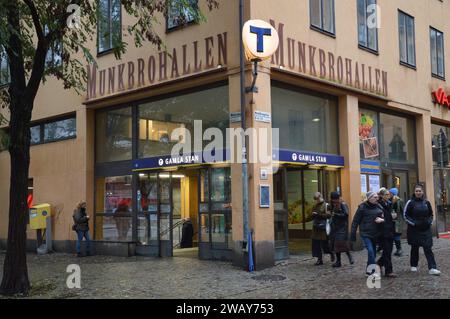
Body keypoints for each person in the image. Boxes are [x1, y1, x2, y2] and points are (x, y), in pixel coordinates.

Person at [404, 184, 441, 276]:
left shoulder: (426, 202)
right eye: (416, 191)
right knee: (415, 248)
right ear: (414, 192)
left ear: (422, 192)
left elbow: (431, 214)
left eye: (420, 191)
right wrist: (414, 223)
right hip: (414, 230)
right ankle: (413, 264)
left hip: (426, 230)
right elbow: (405, 215)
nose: (418, 192)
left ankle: (432, 267)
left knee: (428, 248)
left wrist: (430, 222)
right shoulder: (410, 202)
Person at [350, 191, 385, 276]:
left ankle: (368, 271)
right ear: (369, 198)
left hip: (376, 233)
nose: (377, 199)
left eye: (377, 197)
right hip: (365, 233)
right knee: (370, 251)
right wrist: (353, 234)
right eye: (375, 197)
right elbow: (355, 221)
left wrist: (382, 220)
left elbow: (384, 217)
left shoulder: (379, 206)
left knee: (372, 252)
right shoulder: (362, 208)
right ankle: (373, 271)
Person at [328, 192, 354, 267]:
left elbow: (346, 215)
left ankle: (349, 255)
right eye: (333, 200)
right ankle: (338, 261)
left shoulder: (343, 204)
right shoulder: (332, 204)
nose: (334, 201)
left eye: (335, 199)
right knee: (334, 244)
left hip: (342, 227)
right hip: (334, 227)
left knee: (340, 243)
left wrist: (336, 215)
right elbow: (330, 212)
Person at [376, 188, 397, 278]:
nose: (388, 196)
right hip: (382, 231)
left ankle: (379, 263)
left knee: (388, 251)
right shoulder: (379, 205)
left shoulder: (388, 204)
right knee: (387, 251)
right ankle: (389, 271)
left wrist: (393, 217)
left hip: (390, 230)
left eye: (388, 194)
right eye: (386, 195)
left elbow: (389, 217)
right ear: (381, 196)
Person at [311, 192, 335, 265]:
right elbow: (312, 214)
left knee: (325, 245)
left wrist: (318, 215)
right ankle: (319, 259)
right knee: (316, 243)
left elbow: (328, 215)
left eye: (318, 199)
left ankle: (331, 253)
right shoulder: (315, 206)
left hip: (323, 227)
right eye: (316, 199)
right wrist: (313, 214)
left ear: (321, 197)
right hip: (316, 227)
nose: (317, 200)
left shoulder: (326, 205)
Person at [390, 187, 405, 256]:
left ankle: (399, 249)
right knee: (394, 235)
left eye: (390, 193)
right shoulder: (390, 200)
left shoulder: (399, 201)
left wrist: (404, 220)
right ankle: (398, 249)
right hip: (391, 220)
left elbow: (403, 211)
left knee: (397, 235)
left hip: (398, 221)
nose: (389, 194)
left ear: (393, 193)